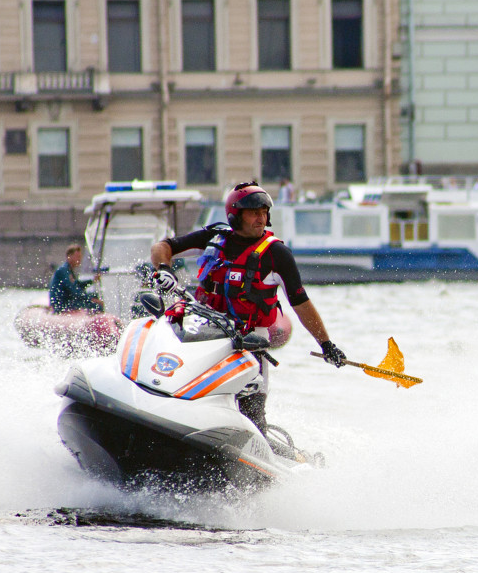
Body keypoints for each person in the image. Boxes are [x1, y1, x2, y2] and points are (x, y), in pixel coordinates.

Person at [149, 180, 347, 437]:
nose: (261, 218)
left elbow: (300, 302)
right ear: (235, 216)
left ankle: (267, 452)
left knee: (252, 417)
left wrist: (326, 344)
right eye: (254, 213)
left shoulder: (276, 253)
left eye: (264, 212)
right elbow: (162, 247)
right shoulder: (214, 238)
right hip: (204, 331)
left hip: (249, 342)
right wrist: (163, 270)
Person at [49, 244, 104, 313]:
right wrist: (90, 299)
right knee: (96, 305)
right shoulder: (63, 271)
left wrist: (92, 280)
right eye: (77, 257)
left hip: (68, 301)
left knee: (95, 295)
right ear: (69, 257)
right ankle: (96, 321)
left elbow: (77, 285)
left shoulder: (69, 270)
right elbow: (74, 291)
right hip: (61, 305)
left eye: (80, 257)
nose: (79, 259)